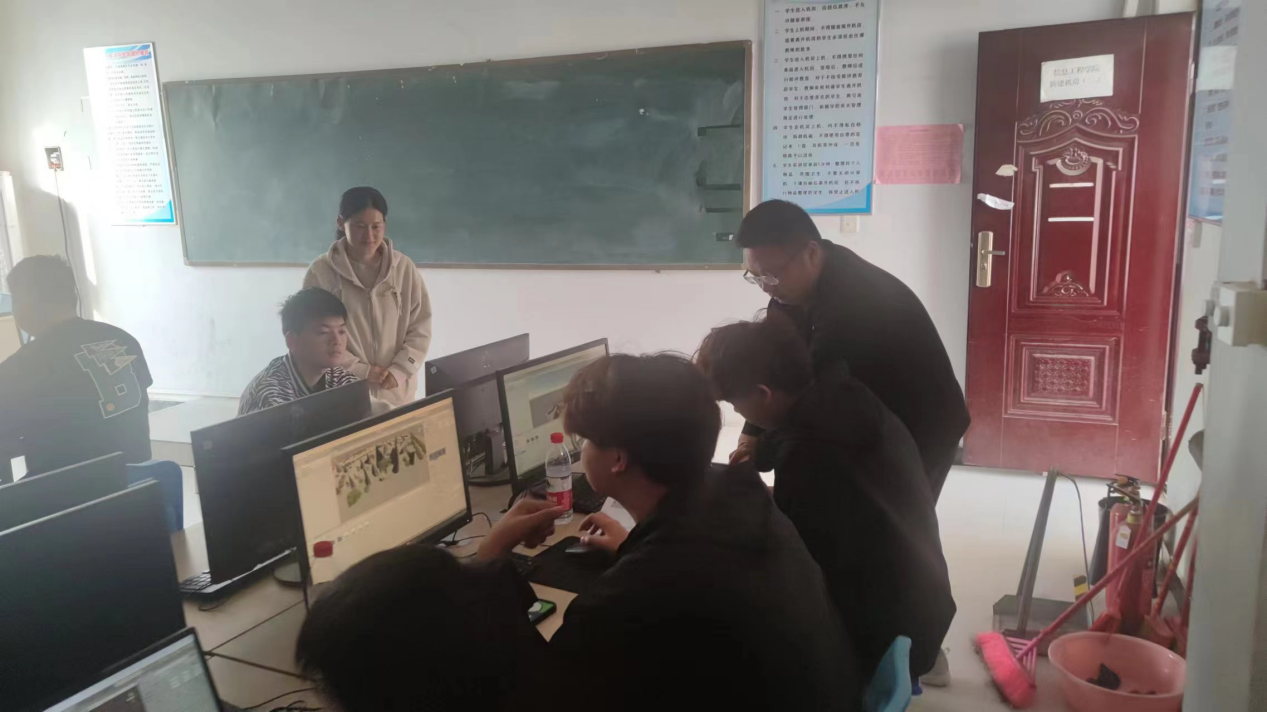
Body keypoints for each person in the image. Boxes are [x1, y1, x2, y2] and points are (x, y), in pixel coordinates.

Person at [296, 354, 862, 712]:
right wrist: (633, 548)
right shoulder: (737, 494)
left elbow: (537, 686)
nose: (578, 452)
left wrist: (490, 559)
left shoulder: (647, 587)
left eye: (584, 441)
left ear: (617, 459)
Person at [697, 315, 956, 682]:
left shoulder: (810, 452)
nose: (737, 413)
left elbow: (792, 557)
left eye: (734, 404)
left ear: (763, 393)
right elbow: (825, 497)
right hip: (920, 604)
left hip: (880, 630)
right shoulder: (842, 390)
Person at [732, 199, 969, 501]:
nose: (765, 287)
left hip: (920, 418)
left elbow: (812, 397)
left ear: (811, 252)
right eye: (755, 276)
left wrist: (761, 452)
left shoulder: (853, 303)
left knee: (898, 510)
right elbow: (777, 367)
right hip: (864, 406)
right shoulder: (788, 292)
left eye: (770, 275)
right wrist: (751, 432)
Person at [0, 255, 153, 475]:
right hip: (140, 485)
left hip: (71, 492)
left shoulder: (21, 368)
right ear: (73, 295)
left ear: (24, 305)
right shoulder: (122, 340)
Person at [303, 187, 431, 408]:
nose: (369, 236)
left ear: (385, 225)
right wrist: (360, 371)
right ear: (341, 223)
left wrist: (400, 370)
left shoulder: (403, 269)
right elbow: (314, 335)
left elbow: (420, 327)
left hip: (397, 393)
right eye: (360, 226)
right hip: (344, 393)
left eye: (376, 226)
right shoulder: (321, 273)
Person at [238, 288, 358, 415]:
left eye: (341, 331)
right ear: (292, 341)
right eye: (323, 332)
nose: (337, 341)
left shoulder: (340, 378)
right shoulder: (271, 394)